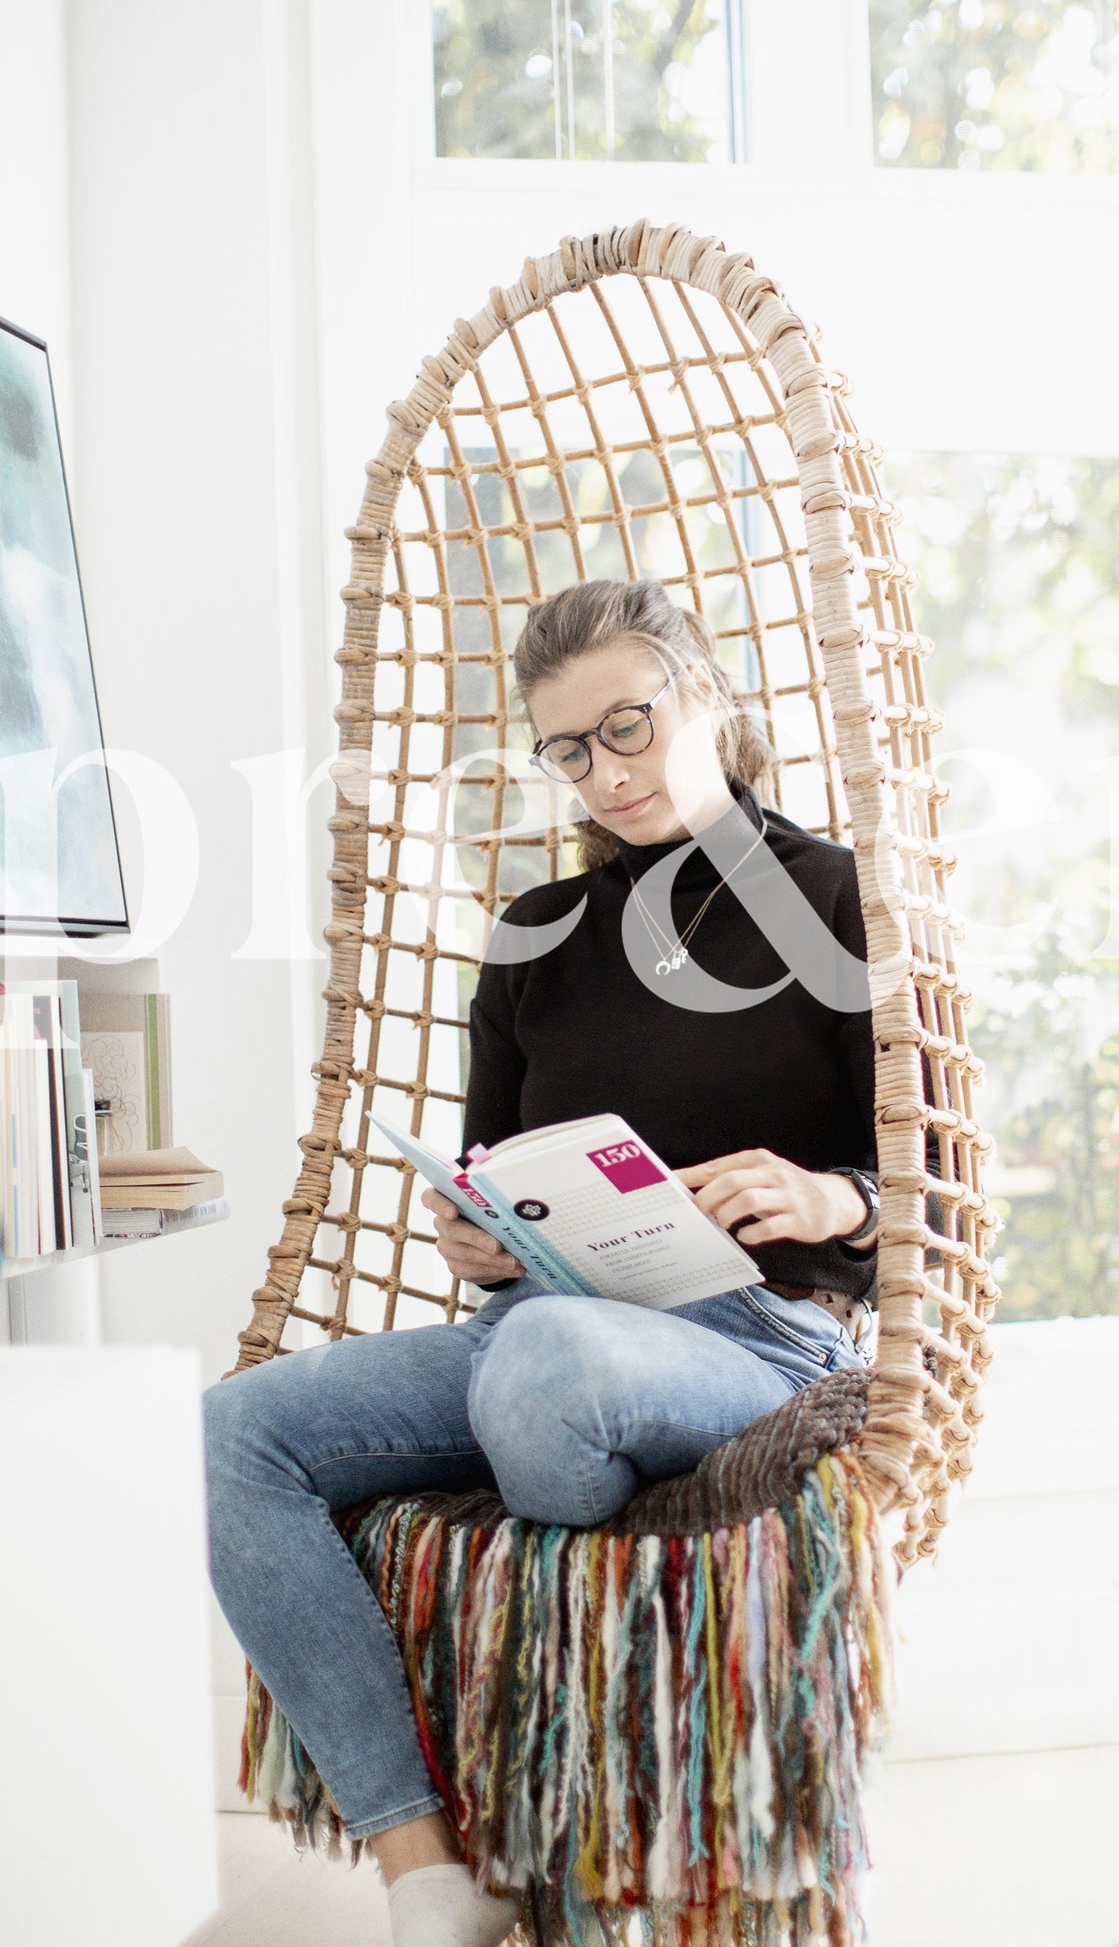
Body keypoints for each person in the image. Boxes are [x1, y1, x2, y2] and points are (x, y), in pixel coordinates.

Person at [203, 579, 885, 1947]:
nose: (605, 773)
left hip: (761, 1335)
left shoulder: (839, 897)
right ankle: (428, 1870)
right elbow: (494, 1175)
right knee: (233, 1433)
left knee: (544, 1363)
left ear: (706, 694)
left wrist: (828, 1195)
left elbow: (936, 1186)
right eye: (568, 749)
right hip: (544, 1329)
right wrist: (473, 1235)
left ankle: (563, 1771)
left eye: (628, 726)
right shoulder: (534, 931)